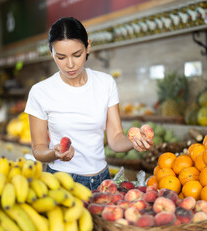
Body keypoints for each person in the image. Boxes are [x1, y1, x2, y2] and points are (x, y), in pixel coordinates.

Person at [24, 17, 153, 190]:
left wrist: (135, 141)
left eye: (77, 55)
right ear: (51, 52)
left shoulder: (105, 83)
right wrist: (54, 154)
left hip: (102, 181)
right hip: (61, 182)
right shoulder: (40, 92)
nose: (70, 64)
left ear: (88, 46)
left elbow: (115, 139)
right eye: (61, 57)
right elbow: (38, 149)